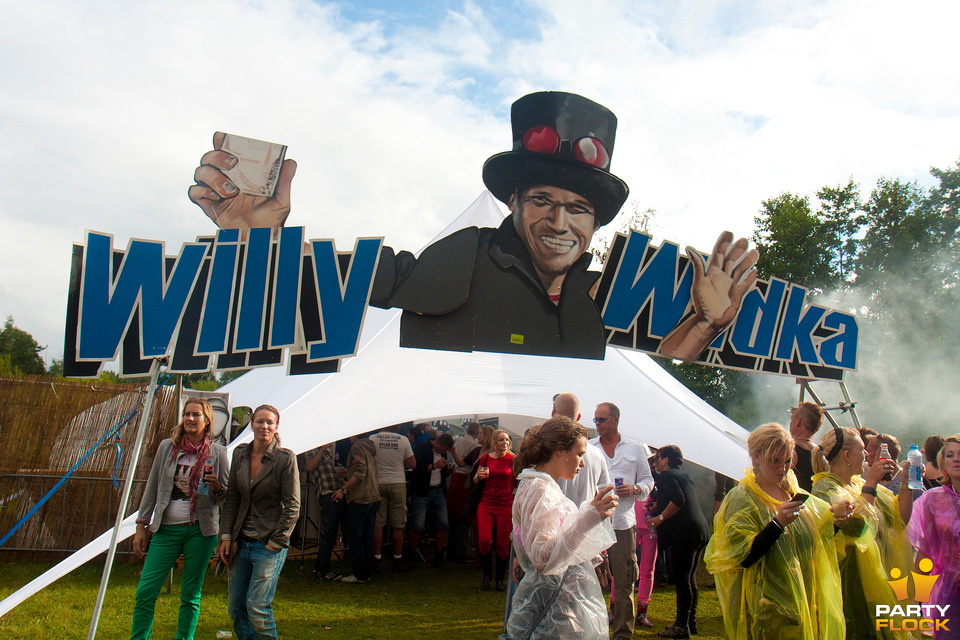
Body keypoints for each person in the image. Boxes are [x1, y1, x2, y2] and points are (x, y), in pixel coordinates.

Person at [188, 92, 755, 362]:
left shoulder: (605, 296)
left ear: (595, 223)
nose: (560, 222)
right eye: (541, 201)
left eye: (578, 208)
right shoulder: (468, 258)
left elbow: (667, 355)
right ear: (513, 203)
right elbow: (364, 278)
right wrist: (257, 240)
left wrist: (707, 322)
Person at [706, 423, 845, 640]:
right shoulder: (742, 498)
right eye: (775, 461)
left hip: (801, 601)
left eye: (787, 460)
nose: (783, 468)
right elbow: (741, 557)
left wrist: (836, 521)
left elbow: (811, 539)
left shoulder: (791, 490)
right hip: (766, 608)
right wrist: (777, 524)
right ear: (756, 458)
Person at [505, 416, 618, 640]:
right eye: (579, 454)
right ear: (559, 450)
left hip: (555, 604)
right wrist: (588, 519)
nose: (582, 463)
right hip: (553, 608)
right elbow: (544, 559)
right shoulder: (540, 490)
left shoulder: (536, 485)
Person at [131, 398, 229, 640]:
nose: (190, 419)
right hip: (166, 529)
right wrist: (141, 525)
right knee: (145, 591)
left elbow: (226, 495)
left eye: (196, 415)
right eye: (187, 414)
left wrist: (217, 486)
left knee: (190, 595)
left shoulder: (217, 453)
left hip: (201, 530)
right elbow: (152, 487)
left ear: (207, 421)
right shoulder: (167, 447)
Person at [810, 426, 915, 639]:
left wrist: (906, 484)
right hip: (849, 583)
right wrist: (872, 482)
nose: (867, 454)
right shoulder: (825, 486)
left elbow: (900, 519)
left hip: (875, 582)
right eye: (862, 449)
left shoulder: (859, 484)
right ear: (848, 455)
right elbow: (857, 528)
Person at [219, 404, 300, 640]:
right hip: (240, 542)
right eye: (259, 421)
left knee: (257, 608)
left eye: (269, 422)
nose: (264, 426)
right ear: (251, 424)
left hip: (268, 545)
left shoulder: (285, 459)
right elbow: (233, 497)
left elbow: (293, 506)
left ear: (276, 427)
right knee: (236, 608)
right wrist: (226, 536)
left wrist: (277, 542)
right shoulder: (240, 453)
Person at [590, 401, 654, 640]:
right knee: (588, 579)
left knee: (625, 581)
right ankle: (589, 631)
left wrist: (636, 488)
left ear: (615, 420)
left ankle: (622, 635)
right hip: (593, 522)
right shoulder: (589, 447)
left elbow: (649, 480)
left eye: (601, 420)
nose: (597, 424)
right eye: (595, 420)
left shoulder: (636, 448)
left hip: (623, 524)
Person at [645, 445, 710, 638]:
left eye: (657, 458)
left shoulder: (666, 476)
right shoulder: (682, 475)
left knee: (682, 580)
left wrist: (660, 518)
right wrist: (661, 506)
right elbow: (680, 499)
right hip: (699, 531)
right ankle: (690, 623)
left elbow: (679, 501)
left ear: (666, 460)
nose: (655, 462)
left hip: (684, 533)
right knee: (690, 578)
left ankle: (681, 627)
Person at [908, 435, 960, 639]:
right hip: (947, 594)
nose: (956, 459)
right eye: (950, 455)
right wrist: (915, 601)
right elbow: (925, 552)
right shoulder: (932, 500)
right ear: (943, 463)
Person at [473, 429, 517, 591]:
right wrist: (480, 476)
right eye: (501, 440)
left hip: (505, 505)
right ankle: (487, 575)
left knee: (502, 544)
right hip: (486, 504)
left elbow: (518, 482)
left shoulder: (513, 460)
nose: (504, 443)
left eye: (506, 440)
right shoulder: (485, 458)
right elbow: (475, 479)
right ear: (493, 442)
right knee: (484, 540)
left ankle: (499, 580)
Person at [333, 434, 380, 583]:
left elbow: (360, 472)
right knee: (367, 537)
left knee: (356, 538)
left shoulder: (357, 447)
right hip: (373, 496)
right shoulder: (370, 447)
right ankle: (365, 572)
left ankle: (359, 574)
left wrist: (344, 489)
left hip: (360, 498)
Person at [369, 425, 415, 572]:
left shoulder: (373, 438)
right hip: (397, 482)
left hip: (378, 482)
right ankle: (398, 557)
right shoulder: (403, 440)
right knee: (398, 523)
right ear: (398, 426)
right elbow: (412, 463)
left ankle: (377, 557)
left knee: (378, 522)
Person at [407, 432, 457, 565]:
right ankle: (411, 554)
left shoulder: (443, 452)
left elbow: (441, 471)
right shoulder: (422, 448)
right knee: (417, 525)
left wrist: (447, 470)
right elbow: (417, 469)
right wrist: (435, 465)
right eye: (444, 449)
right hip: (422, 491)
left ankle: (439, 555)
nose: (444, 452)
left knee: (443, 524)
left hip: (438, 490)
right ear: (438, 444)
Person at [305, 442, 344, 581]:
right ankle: (323, 569)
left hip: (333, 493)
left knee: (330, 533)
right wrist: (322, 450)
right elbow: (309, 466)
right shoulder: (312, 451)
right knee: (329, 534)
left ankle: (320, 567)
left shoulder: (325, 454)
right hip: (327, 495)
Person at [788, 402, 823, 492]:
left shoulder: (792, 451)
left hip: (796, 503)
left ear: (798, 421)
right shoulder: (822, 453)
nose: (790, 423)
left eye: (792, 419)